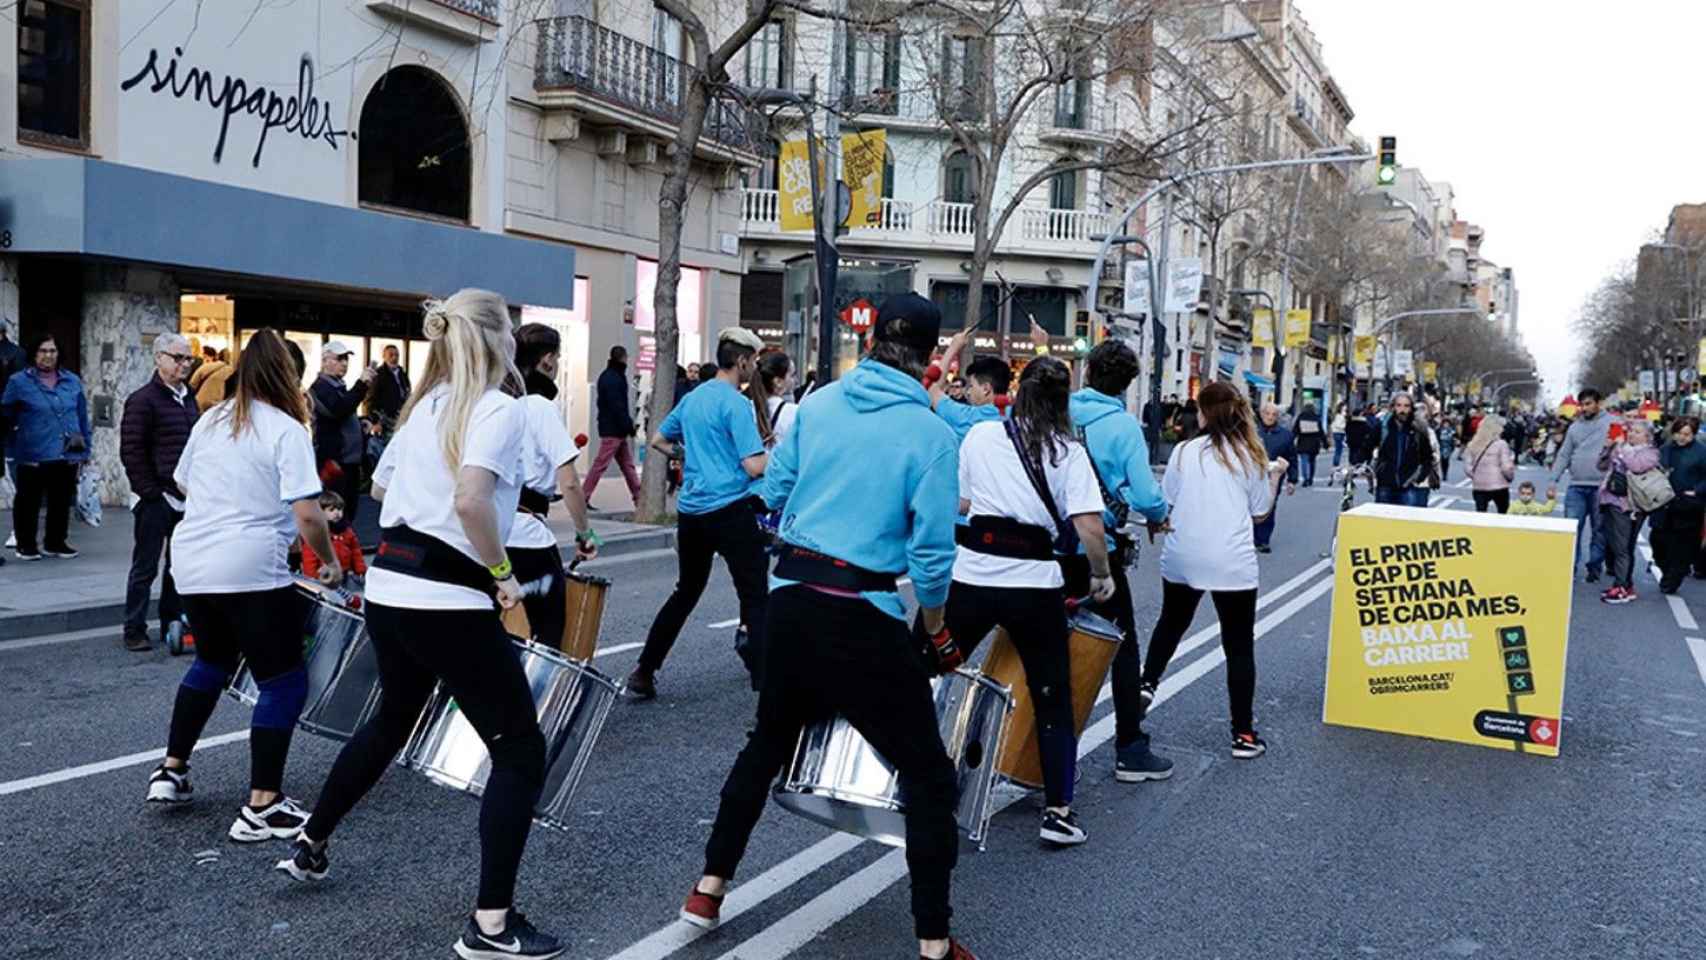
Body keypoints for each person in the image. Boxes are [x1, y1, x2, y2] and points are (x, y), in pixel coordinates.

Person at [680, 294, 978, 960]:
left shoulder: (817, 406)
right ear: (928, 359)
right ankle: (933, 940)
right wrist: (935, 627)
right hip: (861, 614)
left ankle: (707, 889)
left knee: (767, 744)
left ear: (870, 345)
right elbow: (932, 557)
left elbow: (776, 490)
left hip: (789, 603)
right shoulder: (931, 434)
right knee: (929, 776)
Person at [279, 290, 568, 960]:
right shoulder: (495, 408)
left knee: (390, 722)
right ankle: (491, 925)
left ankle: (311, 840)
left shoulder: (422, 410)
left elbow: (380, 492)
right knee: (521, 752)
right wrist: (503, 580)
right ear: (498, 340)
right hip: (448, 598)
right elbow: (471, 501)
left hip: (391, 588)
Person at [144, 328, 340, 844]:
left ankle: (171, 770)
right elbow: (307, 513)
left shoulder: (211, 420)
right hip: (250, 563)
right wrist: (328, 560)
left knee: (211, 660)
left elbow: (184, 482)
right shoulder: (286, 428)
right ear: (289, 376)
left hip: (191, 560)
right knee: (282, 679)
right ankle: (263, 804)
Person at [945, 356, 1112, 847]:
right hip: (1034, 583)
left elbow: (963, 501)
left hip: (973, 573)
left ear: (1016, 393)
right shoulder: (1068, 451)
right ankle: (1058, 811)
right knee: (1051, 694)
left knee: (926, 668)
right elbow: (1089, 527)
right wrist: (1101, 575)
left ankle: (901, 779)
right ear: (1064, 401)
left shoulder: (980, 436)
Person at [1143, 382, 1287, 759]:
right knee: (1238, 645)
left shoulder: (1185, 451)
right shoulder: (1251, 455)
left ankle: (1145, 685)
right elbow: (1260, 514)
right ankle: (1243, 734)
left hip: (1184, 554)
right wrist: (1273, 478)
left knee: (1170, 624)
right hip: (1231, 561)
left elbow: (1167, 500)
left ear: (1205, 414)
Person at [628, 328, 770, 699]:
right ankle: (766, 684)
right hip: (731, 509)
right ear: (741, 361)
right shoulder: (737, 404)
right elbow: (754, 466)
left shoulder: (693, 399)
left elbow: (659, 440)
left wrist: (687, 456)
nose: (754, 369)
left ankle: (644, 670)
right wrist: (783, 458)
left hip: (692, 512)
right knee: (754, 595)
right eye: (753, 362)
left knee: (686, 591)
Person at [1060, 340, 1172, 782]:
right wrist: (1158, 516)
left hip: (1049, 545)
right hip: (1095, 550)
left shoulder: (1060, 411)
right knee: (1122, 647)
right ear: (1127, 384)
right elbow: (1147, 496)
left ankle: (1026, 746)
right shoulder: (1124, 428)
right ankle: (1129, 747)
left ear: (1088, 373)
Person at [508, 322, 599, 649]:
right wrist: (585, 533)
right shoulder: (541, 408)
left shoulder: (503, 405)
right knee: (549, 630)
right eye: (557, 357)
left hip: (492, 530)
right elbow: (570, 482)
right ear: (547, 360)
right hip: (527, 532)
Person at [118, 333, 200, 651]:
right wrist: (149, 492)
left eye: (188, 358)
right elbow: (132, 451)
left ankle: (171, 623)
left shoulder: (188, 398)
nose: (184, 364)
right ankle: (134, 629)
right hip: (155, 497)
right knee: (145, 566)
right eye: (177, 357)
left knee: (177, 566)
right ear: (158, 358)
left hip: (184, 496)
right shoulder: (143, 399)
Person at [2, 334, 91, 560]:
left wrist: (86, 449)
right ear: (34, 354)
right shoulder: (18, 382)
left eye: (52, 351)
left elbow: (81, 415)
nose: (48, 356)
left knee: (61, 500)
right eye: (43, 351)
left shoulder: (71, 380)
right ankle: (26, 545)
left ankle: (56, 542)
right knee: (28, 501)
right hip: (31, 451)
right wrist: (12, 446)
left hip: (67, 450)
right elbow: (5, 416)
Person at [1547, 387, 1612, 582]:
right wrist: (1553, 480)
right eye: (1582, 404)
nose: (1584, 408)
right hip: (1576, 485)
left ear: (1598, 403)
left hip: (1602, 486)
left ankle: (1594, 566)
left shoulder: (1612, 423)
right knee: (1571, 528)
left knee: (1599, 530)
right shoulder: (1574, 428)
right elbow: (1564, 454)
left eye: (1588, 404)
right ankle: (1571, 567)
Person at [310, 341, 375, 531]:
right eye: (339, 359)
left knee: (347, 513)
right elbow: (338, 409)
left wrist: (361, 422)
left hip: (348, 463)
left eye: (346, 359)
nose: (344, 363)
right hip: (336, 464)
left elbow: (344, 411)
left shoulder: (337, 386)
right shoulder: (320, 387)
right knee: (336, 516)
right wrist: (362, 384)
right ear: (324, 361)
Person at [1598, 418, 1660, 605]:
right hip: (1611, 500)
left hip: (1630, 505)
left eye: (1638, 432)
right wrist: (1607, 449)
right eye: (1631, 430)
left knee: (1623, 547)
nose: (1632, 434)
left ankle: (1622, 586)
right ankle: (1626, 584)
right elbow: (1601, 466)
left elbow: (1636, 466)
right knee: (1618, 545)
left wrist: (1621, 449)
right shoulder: (1621, 447)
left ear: (1648, 437)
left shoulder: (1651, 453)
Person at [581, 345, 643, 509]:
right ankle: (583, 496)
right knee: (602, 464)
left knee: (626, 465)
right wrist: (628, 426)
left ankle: (639, 496)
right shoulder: (615, 378)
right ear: (623, 358)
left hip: (612, 427)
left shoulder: (608, 376)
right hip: (614, 429)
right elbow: (618, 406)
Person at [929, 330, 1009, 442]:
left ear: (986, 388)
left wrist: (954, 347)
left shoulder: (965, 417)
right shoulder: (1020, 416)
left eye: (971, 386)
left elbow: (933, 388)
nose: (968, 391)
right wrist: (1041, 346)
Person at [1657, 417, 1706, 593]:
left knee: (1682, 545)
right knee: (1659, 542)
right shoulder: (1666, 449)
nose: (1682, 437)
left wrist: (1697, 490)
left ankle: (1673, 579)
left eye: (1687, 434)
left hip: (1689, 504)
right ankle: (1667, 571)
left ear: (1693, 434)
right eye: (1679, 433)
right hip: (1664, 502)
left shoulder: (1701, 452)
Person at [1372, 393, 1434, 507]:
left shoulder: (1418, 429)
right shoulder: (1383, 427)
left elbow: (1428, 457)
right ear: (1393, 407)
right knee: (1382, 522)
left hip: (1408, 486)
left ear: (1411, 408)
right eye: (1399, 405)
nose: (1402, 410)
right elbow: (1367, 447)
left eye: (1406, 406)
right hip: (1385, 485)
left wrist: (1419, 477)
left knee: (1406, 522)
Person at [1252, 402, 1297, 552]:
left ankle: (1263, 540)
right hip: (1252, 475)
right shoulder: (1251, 432)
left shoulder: (1286, 435)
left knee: (1269, 507)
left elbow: (1292, 457)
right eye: (1267, 414)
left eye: (1273, 415)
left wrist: (1292, 480)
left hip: (1273, 477)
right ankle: (1249, 537)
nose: (1270, 417)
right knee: (1249, 505)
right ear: (1261, 414)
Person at [300, 490, 366, 589]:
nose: (337, 513)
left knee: (345, 596)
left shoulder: (347, 531)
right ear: (321, 512)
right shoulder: (318, 533)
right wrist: (311, 576)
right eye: (331, 510)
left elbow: (356, 552)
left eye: (339, 509)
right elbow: (309, 556)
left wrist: (360, 569)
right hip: (323, 575)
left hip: (343, 573)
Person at [1461, 414, 1516, 514]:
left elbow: (1467, 467)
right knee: (1503, 513)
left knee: (1481, 514)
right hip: (1499, 485)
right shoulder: (1501, 444)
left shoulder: (1473, 443)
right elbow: (1506, 467)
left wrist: (1476, 476)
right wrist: (1510, 477)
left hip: (1479, 486)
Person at [750, 350, 799, 449]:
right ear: (778, 382)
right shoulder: (793, 412)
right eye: (792, 375)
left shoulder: (745, 407)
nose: (795, 380)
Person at [367, 344, 412, 436]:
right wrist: (374, 421)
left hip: (401, 418)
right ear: (384, 356)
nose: (394, 357)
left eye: (397, 355)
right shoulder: (378, 374)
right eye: (391, 355)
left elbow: (407, 392)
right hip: (385, 421)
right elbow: (369, 399)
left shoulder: (402, 374)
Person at [1293, 402, 1323, 487]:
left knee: (1304, 461)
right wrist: (1325, 443)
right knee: (1312, 461)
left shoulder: (1300, 418)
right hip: (1314, 443)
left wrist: (1291, 440)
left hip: (1303, 442)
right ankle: (1311, 478)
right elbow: (1321, 432)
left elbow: (1295, 430)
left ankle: (1305, 478)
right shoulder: (1316, 418)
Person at [1330, 402, 1348, 467]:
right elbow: (1338, 425)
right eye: (1344, 406)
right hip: (1339, 433)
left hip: (1337, 433)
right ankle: (1336, 463)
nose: (1346, 408)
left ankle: (1336, 463)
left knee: (1338, 449)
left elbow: (1333, 425)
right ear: (1342, 407)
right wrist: (1345, 425)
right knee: (1338, 450)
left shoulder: (1337, 415)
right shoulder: (1340, 415)